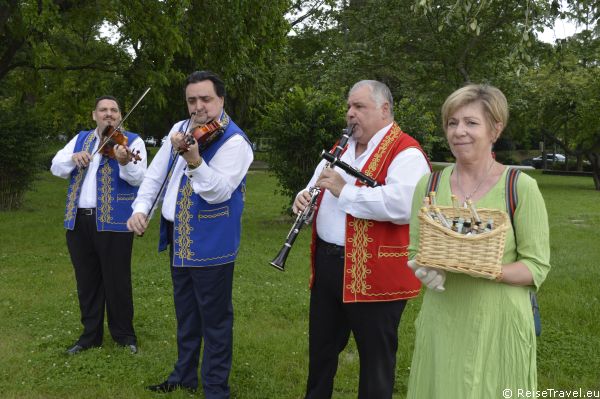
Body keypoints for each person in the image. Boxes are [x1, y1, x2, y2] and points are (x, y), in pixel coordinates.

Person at [406, 84, 551, 398]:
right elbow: (416, 250)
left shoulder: (520, 187)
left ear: (495, 129)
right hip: (443, 318)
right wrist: (423, 270)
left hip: (498, 323)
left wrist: (484, 266)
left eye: (471, 123)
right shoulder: (428, 185)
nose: (460, 132)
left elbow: (536, 266)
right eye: (452, 123)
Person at [293, 80, 430, 399]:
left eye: (359, 107)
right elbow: (315, 187)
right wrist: (303, 200)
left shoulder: (406, 152)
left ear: (384, 110)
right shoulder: (340, 148)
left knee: (376, 361)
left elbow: (404, 204)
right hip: (328, 265)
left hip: (376, 273)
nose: (350, 114)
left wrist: (345, 190)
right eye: (349, 107)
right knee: (322, 351)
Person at [127, 71, 253, 398]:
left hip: (213, 243)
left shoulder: (235, 142)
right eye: (192, 100)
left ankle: (215, 389)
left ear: (221, 100)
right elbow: (156, 177)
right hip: (179, 238)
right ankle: (183, 376)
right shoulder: (180, 129)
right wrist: (141, 210)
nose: (198, 107)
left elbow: (219, 192)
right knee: (185, 314)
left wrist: (195, 161)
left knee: (215, 321)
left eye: (206, 99)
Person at [50, 95, 147, 355]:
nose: (109, 114)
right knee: (87, 280)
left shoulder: (132, 141)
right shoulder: (81, 139)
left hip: (115, 221)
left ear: (120, 115)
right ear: (94, 115)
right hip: (78, 220)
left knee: (117, 280)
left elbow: (140, 179)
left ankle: (125, 336)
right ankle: (90, 336)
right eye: (103, 110)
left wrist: (124, 161)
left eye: (114, 110)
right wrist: (74, 158)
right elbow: (56, 166)